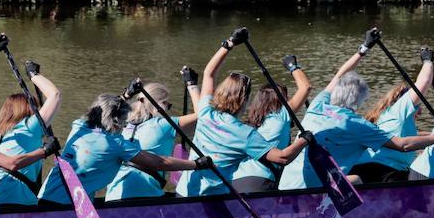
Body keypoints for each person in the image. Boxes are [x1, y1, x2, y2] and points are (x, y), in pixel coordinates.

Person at [279, 32, 434, 191]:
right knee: (357, 181)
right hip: (320, 191)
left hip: (287, 186)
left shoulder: (318, 104)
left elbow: (339, 75)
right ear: (359, 101)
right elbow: (403, 145)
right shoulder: (357, 125)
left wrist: (363, 49)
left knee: (355, 177)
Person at [181, 29, 309, 197]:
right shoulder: (245, 133)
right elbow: (282, 158)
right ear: (245, 100)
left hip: (185, 190)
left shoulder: (206, 112)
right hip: (215, 198)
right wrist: (304, 139)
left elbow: (209, 74)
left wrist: (229, 44)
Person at [38, 95, 212, 205]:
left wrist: (126, 95)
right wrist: (195, 164)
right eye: (123, 121)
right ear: (116, 121)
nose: (124, 125)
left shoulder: (79, 126)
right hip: (69, 206)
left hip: (45, 196)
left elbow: (103, 107)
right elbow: (159, 162)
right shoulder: (115, 145)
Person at [0, 60, 62, 207]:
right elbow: (55, 95)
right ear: (28, 110)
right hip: (12, 204)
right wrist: (33, 75)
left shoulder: (2, 134)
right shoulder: (29, 127)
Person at [230, 54, 312, 192]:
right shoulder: (281, 114)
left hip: (236, 181)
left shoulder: (250, 122)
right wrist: (293, 67)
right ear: (279, 100)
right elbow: (306, 87)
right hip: (260, 182)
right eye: (285, 97)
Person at [356, 46, 434, 182]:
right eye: (418, 104)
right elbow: (422, 84)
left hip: (365, 167)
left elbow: (413, 136)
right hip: (385, 171)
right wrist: (428, 62)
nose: (420, 109)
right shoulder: (400, 108)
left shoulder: (385, 116)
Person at [106, 82, 179, 201]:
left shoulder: (123, 123)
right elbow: (203, 116)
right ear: (159, 104)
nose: (168, 109)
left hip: (115, 191)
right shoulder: (164, 125)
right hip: (146, 192)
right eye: (167, 104)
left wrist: (126, 95)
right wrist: (192, 86)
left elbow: (106, 110)